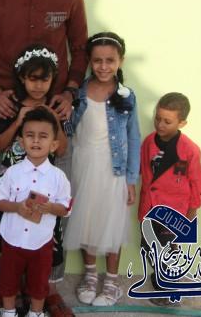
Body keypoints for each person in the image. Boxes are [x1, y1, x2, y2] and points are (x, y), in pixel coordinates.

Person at [0, 45, 68, 310]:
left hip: (44, 185)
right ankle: (6, 288)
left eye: (44, 79)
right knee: (7, 233)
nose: (38, 85)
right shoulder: (10, 106)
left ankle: (38, 289)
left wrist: (54, 121)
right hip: (13, 183)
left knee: (41, 235)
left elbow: (62, 149)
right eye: (32, 78)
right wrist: (18, 121)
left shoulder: (54, 108)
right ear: (21, 78)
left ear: (52, 79)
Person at [64, 32, 141, 306]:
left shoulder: (126, 97)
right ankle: (90, 275)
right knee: (86, 221)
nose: (104, 66)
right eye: (97, 60)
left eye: (110, 60)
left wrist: (131, 179)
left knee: (111, 224)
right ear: (89, 61)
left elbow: (134, 138)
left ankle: (111, 282)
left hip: (113, 170)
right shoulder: (78, 93)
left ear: (121, 61)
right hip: (83, 165)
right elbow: (68, 130)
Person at [0, 108, 72, 317]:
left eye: (43, 136)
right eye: (30, 135)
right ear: (21, 142)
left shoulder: (58, 177)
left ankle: (35, 313)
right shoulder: (12, 173)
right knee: (8, 279)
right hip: (12, 239)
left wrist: (51, 208)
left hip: (41, 241)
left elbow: (66, 208)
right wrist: (17, 207)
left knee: (39, 281)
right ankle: (8, 311)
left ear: (53, 144)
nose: (36, 141)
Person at [138, 92, 201, 307]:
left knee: (167, 251)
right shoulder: (149, 142)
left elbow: (197, 183)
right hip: (149, 207)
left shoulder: (190, 150)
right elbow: (143, 170)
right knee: (148, 246)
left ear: (181, 123)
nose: (160, 124)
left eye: (167, 121)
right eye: (158, 118)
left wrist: (192, 211)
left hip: (173, 212)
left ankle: (170, 293)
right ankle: (162, 277)